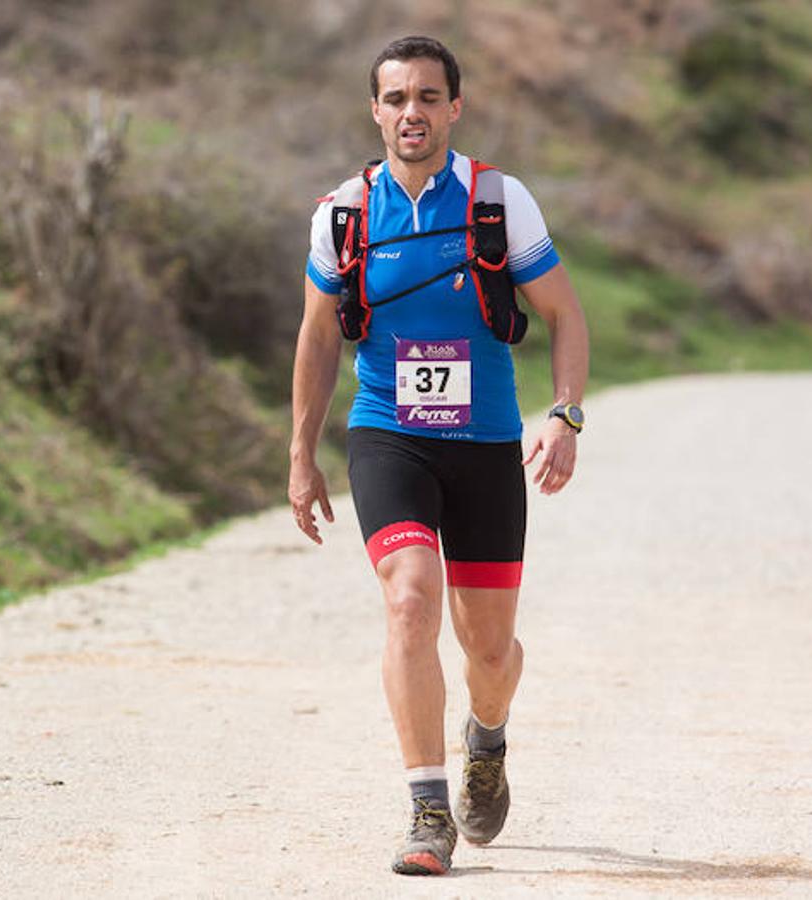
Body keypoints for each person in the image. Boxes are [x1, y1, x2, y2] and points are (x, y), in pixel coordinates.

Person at [287, 35, 589, 876]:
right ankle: (426, 812)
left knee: (490, 653)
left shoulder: (498, 201)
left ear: (454, 107)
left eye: (428, 97)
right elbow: (316, 337)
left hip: (486, 444)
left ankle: (485, 738)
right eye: (395, 99)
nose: (411, 113)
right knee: (410, 602)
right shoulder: (344, 214)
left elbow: (566, 314)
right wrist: (301, 455)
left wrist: (563, 415)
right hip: (388, 437)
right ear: (374, 110)